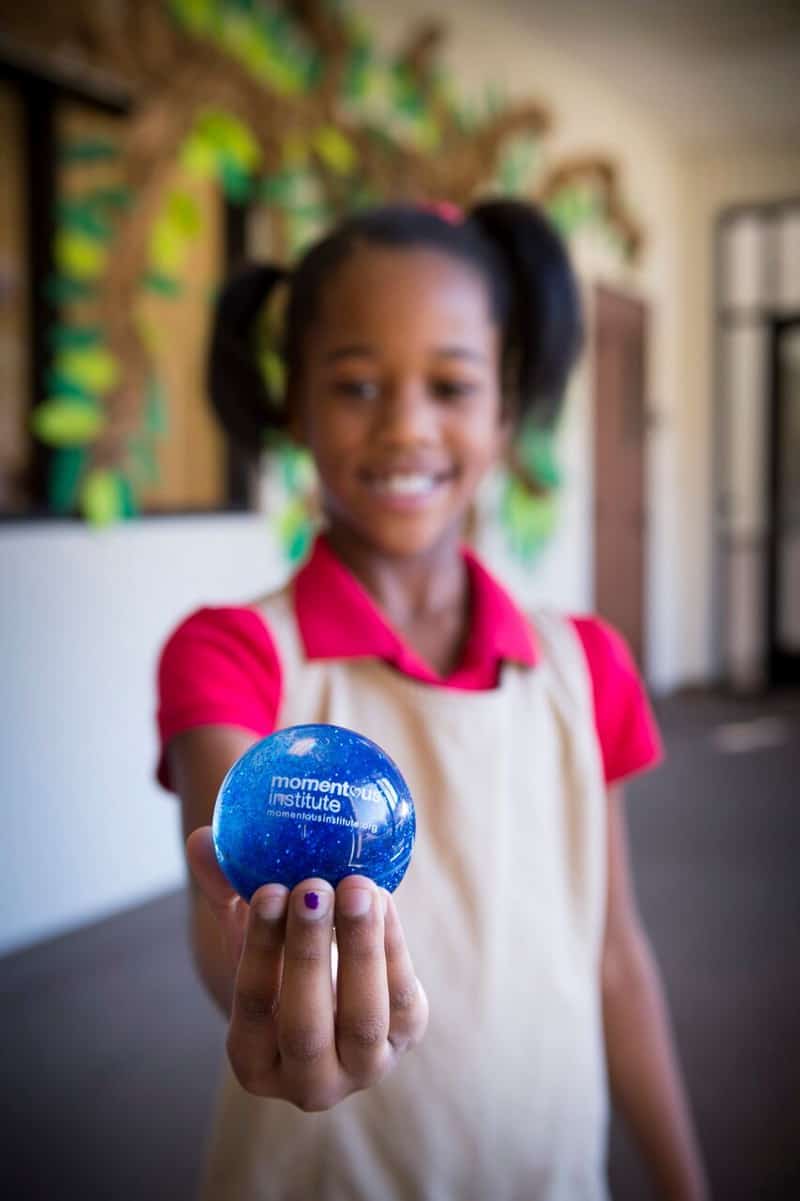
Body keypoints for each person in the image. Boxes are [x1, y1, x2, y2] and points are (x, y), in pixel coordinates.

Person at [155, 200, 709, 1201]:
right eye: (356, 384)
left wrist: (681, 1182)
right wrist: (279, 997)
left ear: (505, 408)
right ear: (295, 409)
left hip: (548, 1169)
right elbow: (223, 921)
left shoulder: (584, 665)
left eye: (450, 385)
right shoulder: (234, 653)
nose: (405, 425)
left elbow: (613, 956)